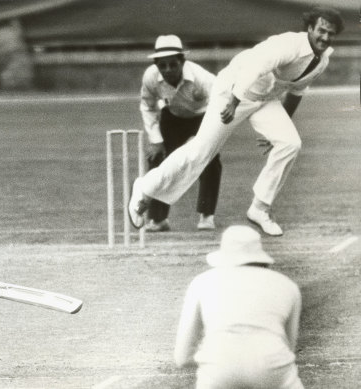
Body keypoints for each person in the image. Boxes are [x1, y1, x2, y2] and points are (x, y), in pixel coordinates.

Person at [129, 7, 344, 236]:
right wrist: (233, 101)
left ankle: (260, 208)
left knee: (290, 142)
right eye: (321, 30)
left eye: (331, 34)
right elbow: (255, 66)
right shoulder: (288, 44)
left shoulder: (321, 60)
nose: (325, 37)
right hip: (232, 91)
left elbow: (297, 91)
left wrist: (281, 128)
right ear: (310, 28)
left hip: (264, 99)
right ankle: (144, 188)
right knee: (199, 153)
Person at [174, 225, 303, 388]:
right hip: (273, 367)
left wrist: (221, 360)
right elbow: (289, 346)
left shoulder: (201, 282)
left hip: (218, 370)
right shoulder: (287, 285)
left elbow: (182, 357)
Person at [140, 35, 221, 232]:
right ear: (156, 65)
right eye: (163, 65)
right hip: (173, 117)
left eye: (173, 65)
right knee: (157, 158)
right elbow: (147, 106)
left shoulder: (202, 78)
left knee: (209, 160)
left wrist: (203, 136)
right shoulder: (150, 77)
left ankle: (206, 215)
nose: (168, 70)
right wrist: (156, 140)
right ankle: (158, 219)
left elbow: (220, 102)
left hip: (203, 117)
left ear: (182, 62)